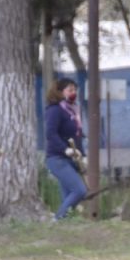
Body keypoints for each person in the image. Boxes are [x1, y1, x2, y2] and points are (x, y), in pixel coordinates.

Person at [44, 78, 87, 220]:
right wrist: (65, 149)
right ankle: (57, 219)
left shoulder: (74, 111)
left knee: (68, 196)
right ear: (60, 92)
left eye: (75, 90)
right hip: (57, 159)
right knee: (80, 191)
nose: (73, 93)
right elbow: (50, 134)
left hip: (72, 160)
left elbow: (78, 135)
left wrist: (83, 156)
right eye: (70, 90)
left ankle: (64, 225)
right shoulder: (55, 110)